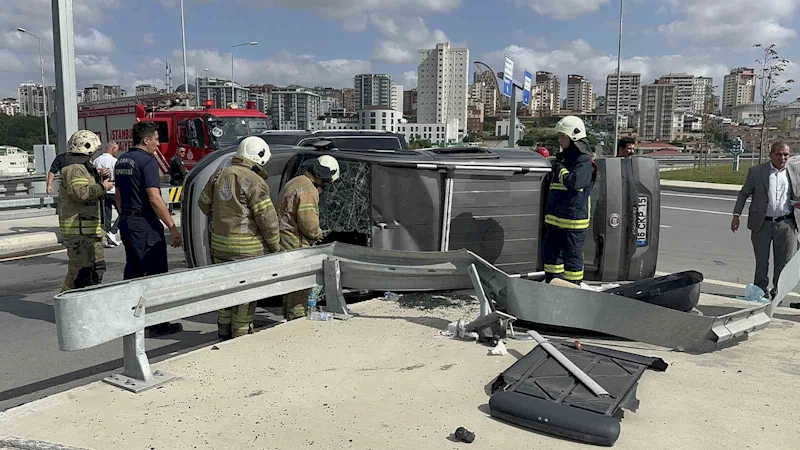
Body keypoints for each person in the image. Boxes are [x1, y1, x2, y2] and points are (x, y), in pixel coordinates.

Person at [198, 137, 281, 340]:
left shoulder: (219, 175)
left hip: (219, 246)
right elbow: (267, 220)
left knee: (226, 291)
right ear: (258, 157)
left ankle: (223, 334)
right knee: (245, 296)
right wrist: (275, 246)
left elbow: (203, 203)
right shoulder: (255, 181)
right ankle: (241, 337)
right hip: (247, 251)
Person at [115, 122, 183, 337]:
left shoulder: (122, 161)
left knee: (133, 270)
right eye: (155, 139)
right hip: (144, 223)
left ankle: (129, 318)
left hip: (126, 220)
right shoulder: (147, 162)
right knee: (155, 272)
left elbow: (117, 193)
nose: (158, 144)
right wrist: (172, 226)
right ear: (146, 140)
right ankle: (158, 323)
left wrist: (125, 213)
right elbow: (154, 197)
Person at [732, 141, 800, 299]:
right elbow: (744, 193)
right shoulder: (757, 171)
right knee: (762, 262)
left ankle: (778, 293)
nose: (782, 158)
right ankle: (760, 291)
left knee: (783, 263)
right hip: (762, 223)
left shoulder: (794, 172)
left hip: (786, 224)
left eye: (786, 155)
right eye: (779, 154)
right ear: (771, 155)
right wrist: (736, 215)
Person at [277, 155, 340, 320]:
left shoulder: (295, 181)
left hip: (284, 239)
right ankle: (297, 319)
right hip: (296, 242)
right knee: (300, 285)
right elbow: (309, 224)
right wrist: (319, 234)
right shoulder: (308, 190)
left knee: (290, 285)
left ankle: (289, 315)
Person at [58, 130, 114, 291]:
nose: (93, 157)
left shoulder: (84, 169)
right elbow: (81, 193)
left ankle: (88, 304)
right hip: (79, 234)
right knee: (79, 274)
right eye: (93, 152)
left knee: (96, 269)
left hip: (89, 233)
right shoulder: (75, 169)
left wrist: (98, 177)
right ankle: (67, 304)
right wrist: (102, 187)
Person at [543, 116, 596, 285]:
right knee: (551, 258)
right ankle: (552, 284)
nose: (559, 140)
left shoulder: (584, 161)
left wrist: (560, 170)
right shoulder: (563, 158)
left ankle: (573, 289)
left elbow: (574, 183)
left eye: (562, 136)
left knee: (572, 260)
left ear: (574, 137)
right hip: (555, 220)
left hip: (572, 223)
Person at [92, 141, 121, 247]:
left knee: (107, 214)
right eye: (116, 150)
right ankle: (113, 232)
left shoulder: (96, 160)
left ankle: (108, 236)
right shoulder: (115, 161)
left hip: (102, 190)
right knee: (123, 213)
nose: (117, 152)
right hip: (113, 190)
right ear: (112, 149)